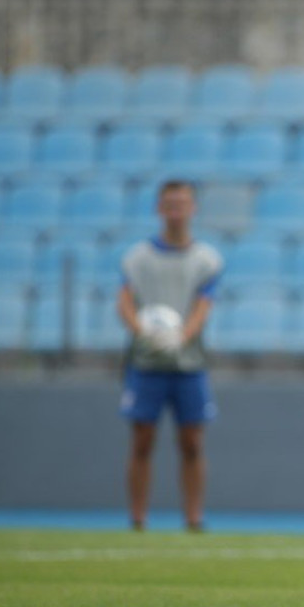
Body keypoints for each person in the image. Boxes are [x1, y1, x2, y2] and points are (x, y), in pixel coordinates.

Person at [116, 180, 223, 533]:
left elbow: (203, 306)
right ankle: (138, 518)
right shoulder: (137, 258)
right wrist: (143, 332)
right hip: (146, 363)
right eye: (170, 205)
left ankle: (194, 518)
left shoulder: (206, 260)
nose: (176, 212)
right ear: (159, 209)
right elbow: (124, 301)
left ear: (193, 209)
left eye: (182, 204)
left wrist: (180, 337)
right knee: (142, 440)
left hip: (189, 364)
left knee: (192, 442)